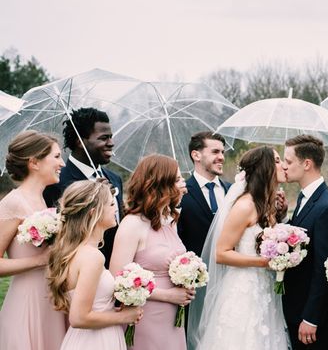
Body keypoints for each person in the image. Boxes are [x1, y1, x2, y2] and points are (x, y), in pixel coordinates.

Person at [187, 146, 289, 350]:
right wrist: (264, 262)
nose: (284, 166)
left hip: (265, 288)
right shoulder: (245, 205)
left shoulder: (267, 205)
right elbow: (221, 253)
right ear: (265, 168)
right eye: (277, 161)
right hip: (243, 289)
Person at [110, 154, 193, 350]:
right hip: (145, 315)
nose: (183, 185)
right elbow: (117, 280)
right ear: (161, 184)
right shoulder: (132, 224)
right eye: (177, 179)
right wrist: (168, 296)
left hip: (173, 317)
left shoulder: (170, 221)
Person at [47, 181, 143, 350]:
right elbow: (79, 318)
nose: (116, 209)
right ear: (94, 213)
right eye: (111, 204)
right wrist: (125, 316)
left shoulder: (75, 251)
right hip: (96, 341)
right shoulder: (92, 257)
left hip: (87, 338)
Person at [0, 130, 66, 349]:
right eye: (56, 157)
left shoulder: (43, 201)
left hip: (51, 301)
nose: (62, 164)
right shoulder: (13, 203)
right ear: (34, 163)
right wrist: (39, 261)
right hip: (27, 302)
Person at [282, 134, 328, 350]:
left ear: (307, 164)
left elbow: (324, 269)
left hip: (316, 320)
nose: (283, 166)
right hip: (297, 307)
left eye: (288, 161)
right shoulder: (304, 197)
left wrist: (311, 318)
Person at [43, 107, 123, 268]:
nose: (111, 143)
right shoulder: (56, 182)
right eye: (104, 138)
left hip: (115, 274)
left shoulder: (115, 179)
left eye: (111, 137)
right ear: (80, 141)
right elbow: (56, 236)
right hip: (77, 272)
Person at [177, 131, 231, 256]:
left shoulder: (232, 191)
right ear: (196, 155)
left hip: (230, 271)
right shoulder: (181, 193)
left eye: (222, 152)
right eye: (215, 152)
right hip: (195, 270)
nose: (222, 157)